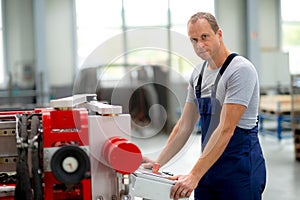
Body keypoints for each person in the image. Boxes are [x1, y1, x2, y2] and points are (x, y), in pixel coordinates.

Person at [142, 12, 266, 200]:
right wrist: (157, 165)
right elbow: (184, 126)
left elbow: (226, 129)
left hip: (239, 170)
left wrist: (194, 175)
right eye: (194, 40)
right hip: (207, 169)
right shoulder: (197, 75)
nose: (200, 45)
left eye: (204, 37)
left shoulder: (240, 70)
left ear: (219, 34)